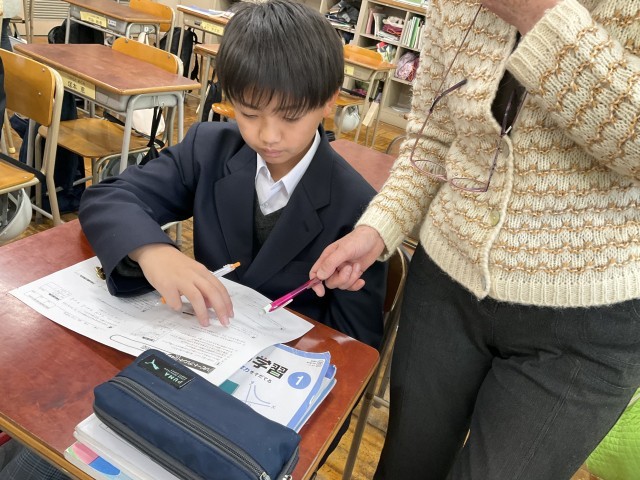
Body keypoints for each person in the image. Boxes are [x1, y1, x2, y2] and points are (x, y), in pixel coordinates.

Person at [310, 1, 640, 479]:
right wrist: (378, 227)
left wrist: (537, 17)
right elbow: (431, 136)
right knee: (406, 468)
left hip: (587, 316)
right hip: (446, 281)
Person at [78, 0, 385, 346]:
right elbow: (108, 197)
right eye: (250, 114)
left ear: (329, 101)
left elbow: (358, 344)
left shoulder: (361, 210)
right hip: (201, 341)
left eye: (290, 116)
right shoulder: (209, 149)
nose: (269, 135)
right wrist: (152, 251)